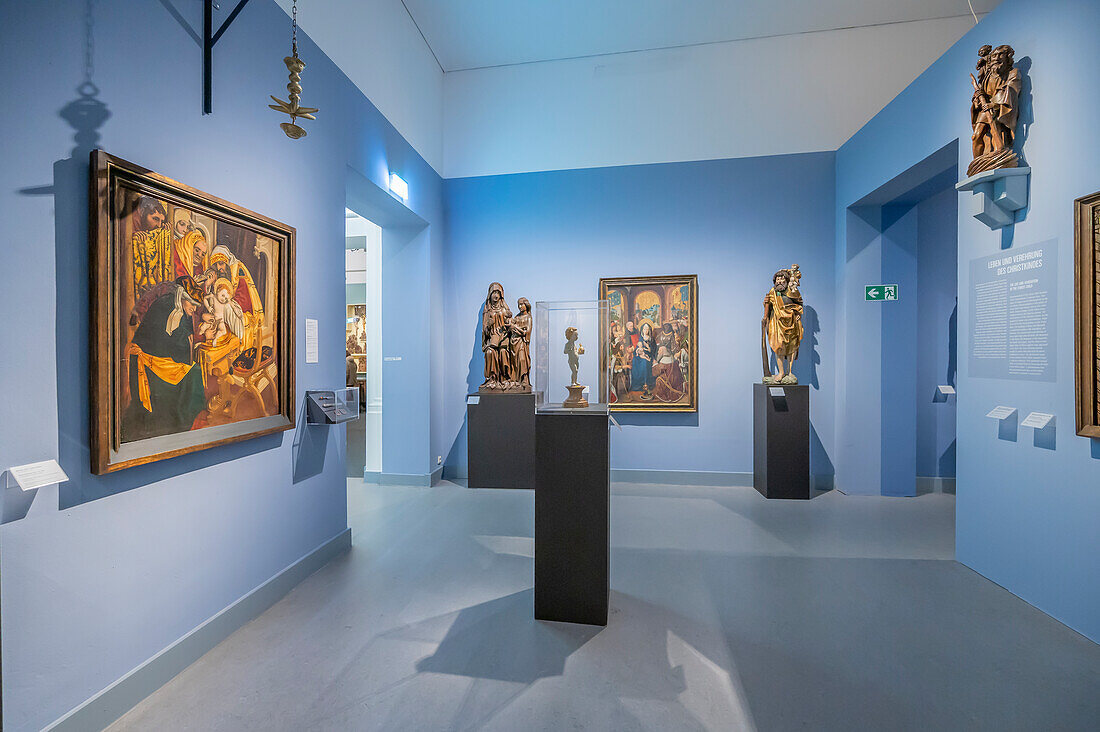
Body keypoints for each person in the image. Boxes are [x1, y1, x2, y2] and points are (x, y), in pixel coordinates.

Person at [122, 277, 207, 441]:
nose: (194, 309)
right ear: (183, 298)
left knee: (194, 371)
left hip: (161, 358)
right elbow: (164, 342)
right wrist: (193, 342)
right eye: (193, 305)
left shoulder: (180, 309)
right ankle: (180, 421)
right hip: (148, 360)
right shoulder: (166, 306)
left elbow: (179, 339)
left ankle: (188, 418)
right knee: (193, 373)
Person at [763, 268, 803, 384]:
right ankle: (781, 372)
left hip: (791, 322)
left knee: (792, 347)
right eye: (777, 279)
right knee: (778, 347)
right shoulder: (772, 292)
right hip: (777, 323)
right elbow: (768, 308)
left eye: (781, 279)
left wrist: (798, 314)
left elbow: (799, 304)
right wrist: (765, 304)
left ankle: (789, 372)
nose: (779, 281)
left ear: (786, 280)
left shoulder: (793, 291)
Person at [130, 195, 171, 296]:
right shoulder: (131, 222)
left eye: (162, 221)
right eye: (155, 219)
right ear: (142, 212)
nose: (159, 225)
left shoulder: (156, 229)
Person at [480, 282, 513, 390]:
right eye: (493, 292)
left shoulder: (505, 309)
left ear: (501, 294)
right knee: (490, 352)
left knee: (503, 353)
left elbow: (510, 323)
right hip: (492, 337)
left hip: (503, 337)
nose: (495, 295)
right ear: (490, 294)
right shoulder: (487, 311)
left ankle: (504, 378)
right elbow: (484, 331)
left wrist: (509, 323)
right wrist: (488, 326)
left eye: (497, 292)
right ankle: (492, 379)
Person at [510, 297, 532, 389]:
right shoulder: (516, 317)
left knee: (523, 359)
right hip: (514, 341)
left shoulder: (528, 317)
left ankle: (524, 379)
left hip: (522, 342)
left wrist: (517, 329)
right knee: (515, 361)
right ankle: (516, 380)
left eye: (521, 304)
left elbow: (527, 331)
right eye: (518, 305)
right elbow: (510, 327)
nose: (520, 307)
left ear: (526, 305)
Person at [629, 322, 657, 397]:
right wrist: (637, 352)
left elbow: (654, 350)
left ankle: (645, 384)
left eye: (647, 329)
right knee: (635, 360)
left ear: (649, 330)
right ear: (642, 330)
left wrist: (648, 348)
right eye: (644, 329)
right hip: (640, 355)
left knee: (644, 362)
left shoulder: (652, 339)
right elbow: (636, 349)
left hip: (648, 356)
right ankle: (638, 385)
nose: (645, 330)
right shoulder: (640, 338)